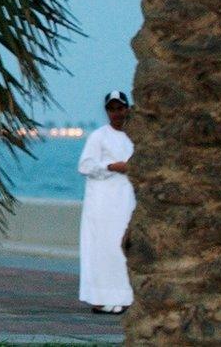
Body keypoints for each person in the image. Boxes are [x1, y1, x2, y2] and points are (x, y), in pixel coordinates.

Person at [78, 90, 135, 315]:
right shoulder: (98, 136)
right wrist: (111, 167)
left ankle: (124, 297)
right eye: (112, 109)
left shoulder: (135, 137)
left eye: (120, 108)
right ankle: (101, 298)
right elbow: (85, 166)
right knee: (101, 248)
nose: (117, 113)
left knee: (122, 248)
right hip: (101, 204)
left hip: (126, 200)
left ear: (127, 109)